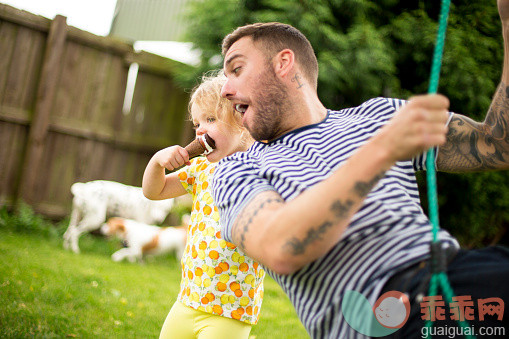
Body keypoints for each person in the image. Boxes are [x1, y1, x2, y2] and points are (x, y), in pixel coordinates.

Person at [212, 1, 509, 338]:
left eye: (236, 69)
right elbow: (280, 248)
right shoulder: (237, 169)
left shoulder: (379, 116)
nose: (225, 89)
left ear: (283, 63)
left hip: (463, 275)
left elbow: (498, 145)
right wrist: (383, 150)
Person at [142, 72, 265, 339]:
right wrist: (157, 162)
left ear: (243, 120)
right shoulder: (200, 169)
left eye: (210, 119)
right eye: (197, 123)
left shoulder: (260, 169)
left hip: (231, 307)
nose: (200, 130)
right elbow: (154, 190)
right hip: (189, 298)